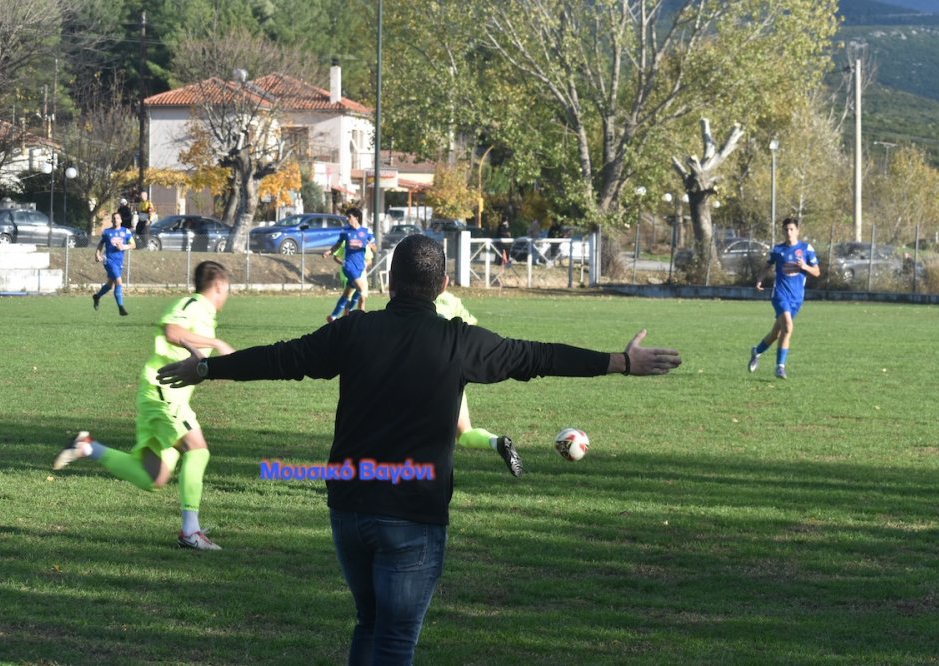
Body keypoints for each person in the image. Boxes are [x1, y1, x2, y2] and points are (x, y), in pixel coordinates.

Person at [155, 234, 682, 663]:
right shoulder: (459, 340)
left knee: (370, 625)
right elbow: (536, 356)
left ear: (388, 281)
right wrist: (620, 361)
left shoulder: (355, 331)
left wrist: (205, 366)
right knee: (394, 642)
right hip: (412, 516)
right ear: (443, 285)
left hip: (350, 510)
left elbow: (279, 359)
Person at [53, 261, 235, 551]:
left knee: (154, 477)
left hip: (164, 395)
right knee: (198, 449)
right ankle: (191, 532)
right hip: (162, 391)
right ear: (220, 286)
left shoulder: (206, 313)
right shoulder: (195, 304)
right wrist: (216, 342)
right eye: (228, 290)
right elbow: (171, 331)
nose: (228, 296)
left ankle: (87, 447)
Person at [434, 289, 521, 476]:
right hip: (450, 374)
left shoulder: (408, 297)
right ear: (443, 281)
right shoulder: (451, 300)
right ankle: (496, 441)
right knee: (465, 433)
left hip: (417, 374)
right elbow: (470, 328)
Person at [748, 217, 820, 379]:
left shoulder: (806, 248)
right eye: (786, 229)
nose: (788, 232)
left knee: (776, 333)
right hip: (780, 294)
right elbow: (768, 265)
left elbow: (816, 272)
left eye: (791, 229)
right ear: (783, 231)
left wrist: (805, 267)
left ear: (797, 231)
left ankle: (757, 351)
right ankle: (780, 367)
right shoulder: (778, 250)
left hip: (797, 298)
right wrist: (760, 279)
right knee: (788, 327)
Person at [323, 207, 376, 322]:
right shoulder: (345, 231)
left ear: (356, 218)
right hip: (349, 266)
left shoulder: (366, 232)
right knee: (362, 292)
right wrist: (329, 251)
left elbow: (375, 249)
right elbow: (337, 245)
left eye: (349, 217)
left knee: (349, 293)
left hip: (360, 268)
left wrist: (372, 246)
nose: (347, 219)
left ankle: (339, 315)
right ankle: (359, 319)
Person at [92, 212, 135, 316]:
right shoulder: (107, 232)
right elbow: (101, 244)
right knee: (119, 282)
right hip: (108, 260)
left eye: (117, 218)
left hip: (118, 262)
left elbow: (133, 245)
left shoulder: (126, 232)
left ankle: (97, 296)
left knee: (110, 285)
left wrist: (124, 247)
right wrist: (97, 254)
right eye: (114, 218)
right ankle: (121, 308)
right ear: (112, 220)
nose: (116, 220)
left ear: (121, 220)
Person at [331, 240, 374, 315]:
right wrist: (345, 264)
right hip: (349, 274)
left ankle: (361, 320)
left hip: (361, 274)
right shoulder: (345, 242)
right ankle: (344, 318)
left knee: (362, 298)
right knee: (348, 298)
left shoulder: (363, 242)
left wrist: (365, 264)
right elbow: (336, 257)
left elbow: (369, 259)